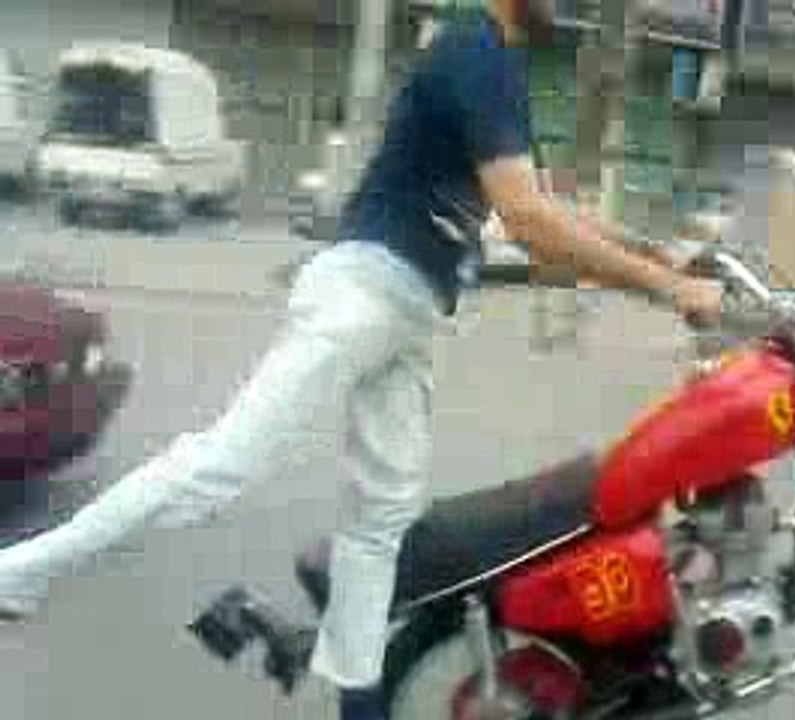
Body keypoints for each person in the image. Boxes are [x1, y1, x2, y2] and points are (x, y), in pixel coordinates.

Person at [0, 1, 724, 718]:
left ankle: (361, 707)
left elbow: (541, 207)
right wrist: (667, 288)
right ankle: (18, 573)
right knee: (218, 467)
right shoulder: (475, 47)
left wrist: (659, 254)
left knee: (380, 525)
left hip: (407, 315)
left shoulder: (497, 65)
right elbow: (533, 225)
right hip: (365, 292)